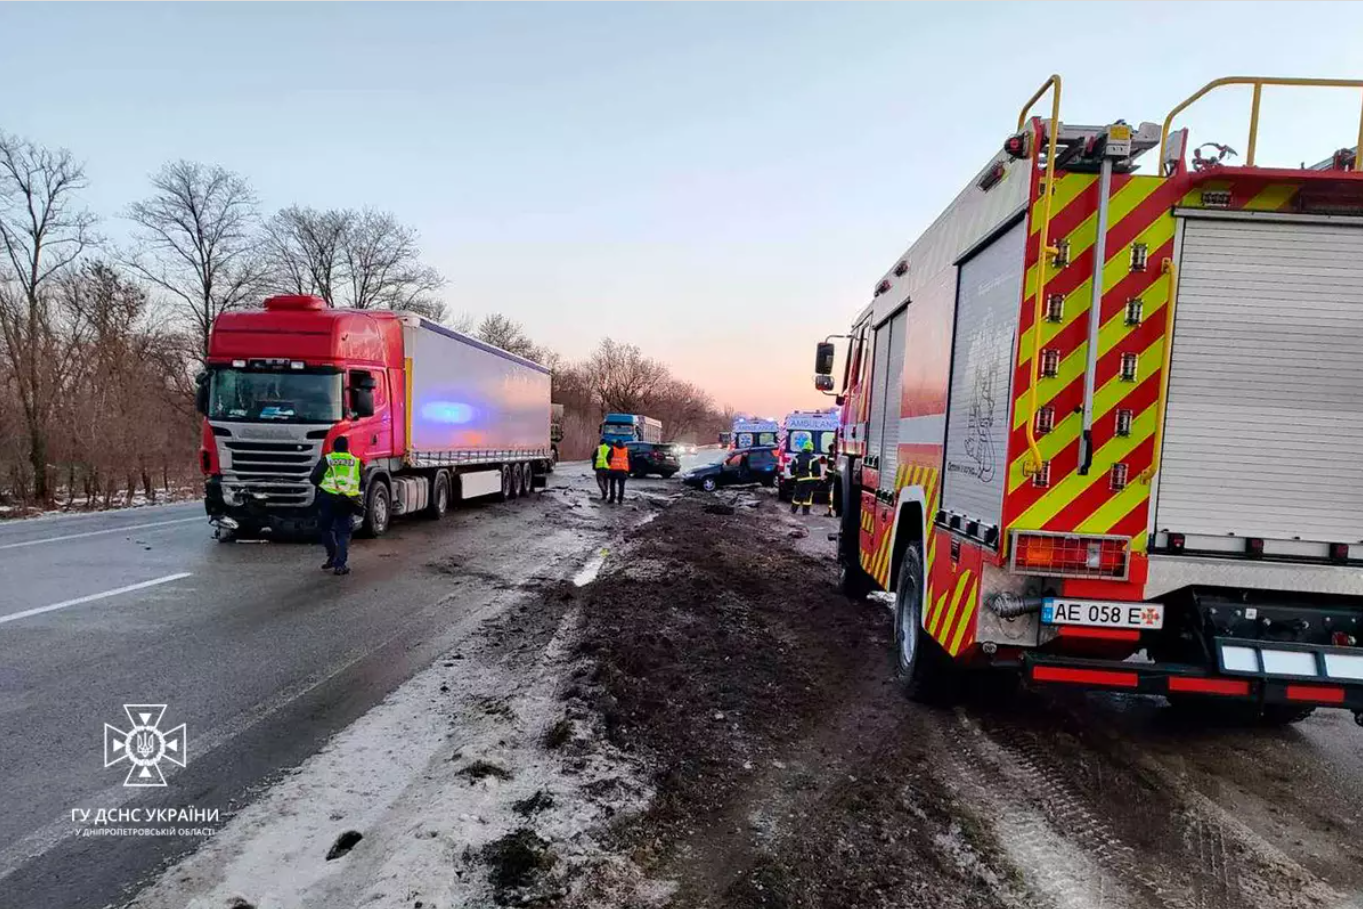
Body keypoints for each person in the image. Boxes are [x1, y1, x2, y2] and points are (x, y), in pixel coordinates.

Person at [310, 435, 365, 575]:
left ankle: (332, 555)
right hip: (347, 500)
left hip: (327, 498)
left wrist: (324, 486)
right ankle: (340, 565)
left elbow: (314, 477)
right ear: (347, 447)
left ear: (333, 447)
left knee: (326, 529)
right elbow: (364, 481)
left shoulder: (327, 459)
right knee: (343, 533)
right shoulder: (356, 462)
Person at [791, 438, 821, 516]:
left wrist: (795, 477)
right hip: (809, 480)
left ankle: (793, 510)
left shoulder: (797, 457)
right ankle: (805, 512)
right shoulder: (814, 458)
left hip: (799, 479)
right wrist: (817, 481)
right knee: (807, 495)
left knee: (797, 495)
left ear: (803, 448)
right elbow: (817, 470)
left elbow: (792, 469)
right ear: (811, 449)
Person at [607, 438, 631, 504]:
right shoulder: (626, 450)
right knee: (621, 486)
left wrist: (610, 464)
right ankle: (620, 500)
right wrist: (628, 469)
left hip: (613, 470)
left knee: (612, 485)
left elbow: (608, 458)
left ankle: (612, 498)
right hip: (623, 470)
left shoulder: (613, 449)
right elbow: (630, 459)